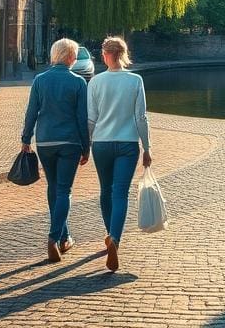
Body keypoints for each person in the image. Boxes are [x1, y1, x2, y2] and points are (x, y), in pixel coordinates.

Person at [20, 37, 90, 263]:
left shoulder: (40, 80)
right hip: (69, 142)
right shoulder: (78, 82)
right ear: (70, 57)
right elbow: (81, 118)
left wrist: (25, 138)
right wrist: (86, 146)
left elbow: (31, 111)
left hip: (45, 142)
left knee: (54, 187)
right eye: (75, 55)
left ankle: (64, 237)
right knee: (64, 190)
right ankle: (53, 237)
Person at [88, 35, 152, 272]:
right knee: (121, 193)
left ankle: (109, 235)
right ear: (123, 54)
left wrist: (86, 145)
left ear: (106, 55)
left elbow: (91, 119)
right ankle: (115, 237)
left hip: (102, 144)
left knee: (105, 190)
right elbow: (141, 118)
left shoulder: (95, 82)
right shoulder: (135, 80)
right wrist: (147, 147)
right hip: (127, 144)